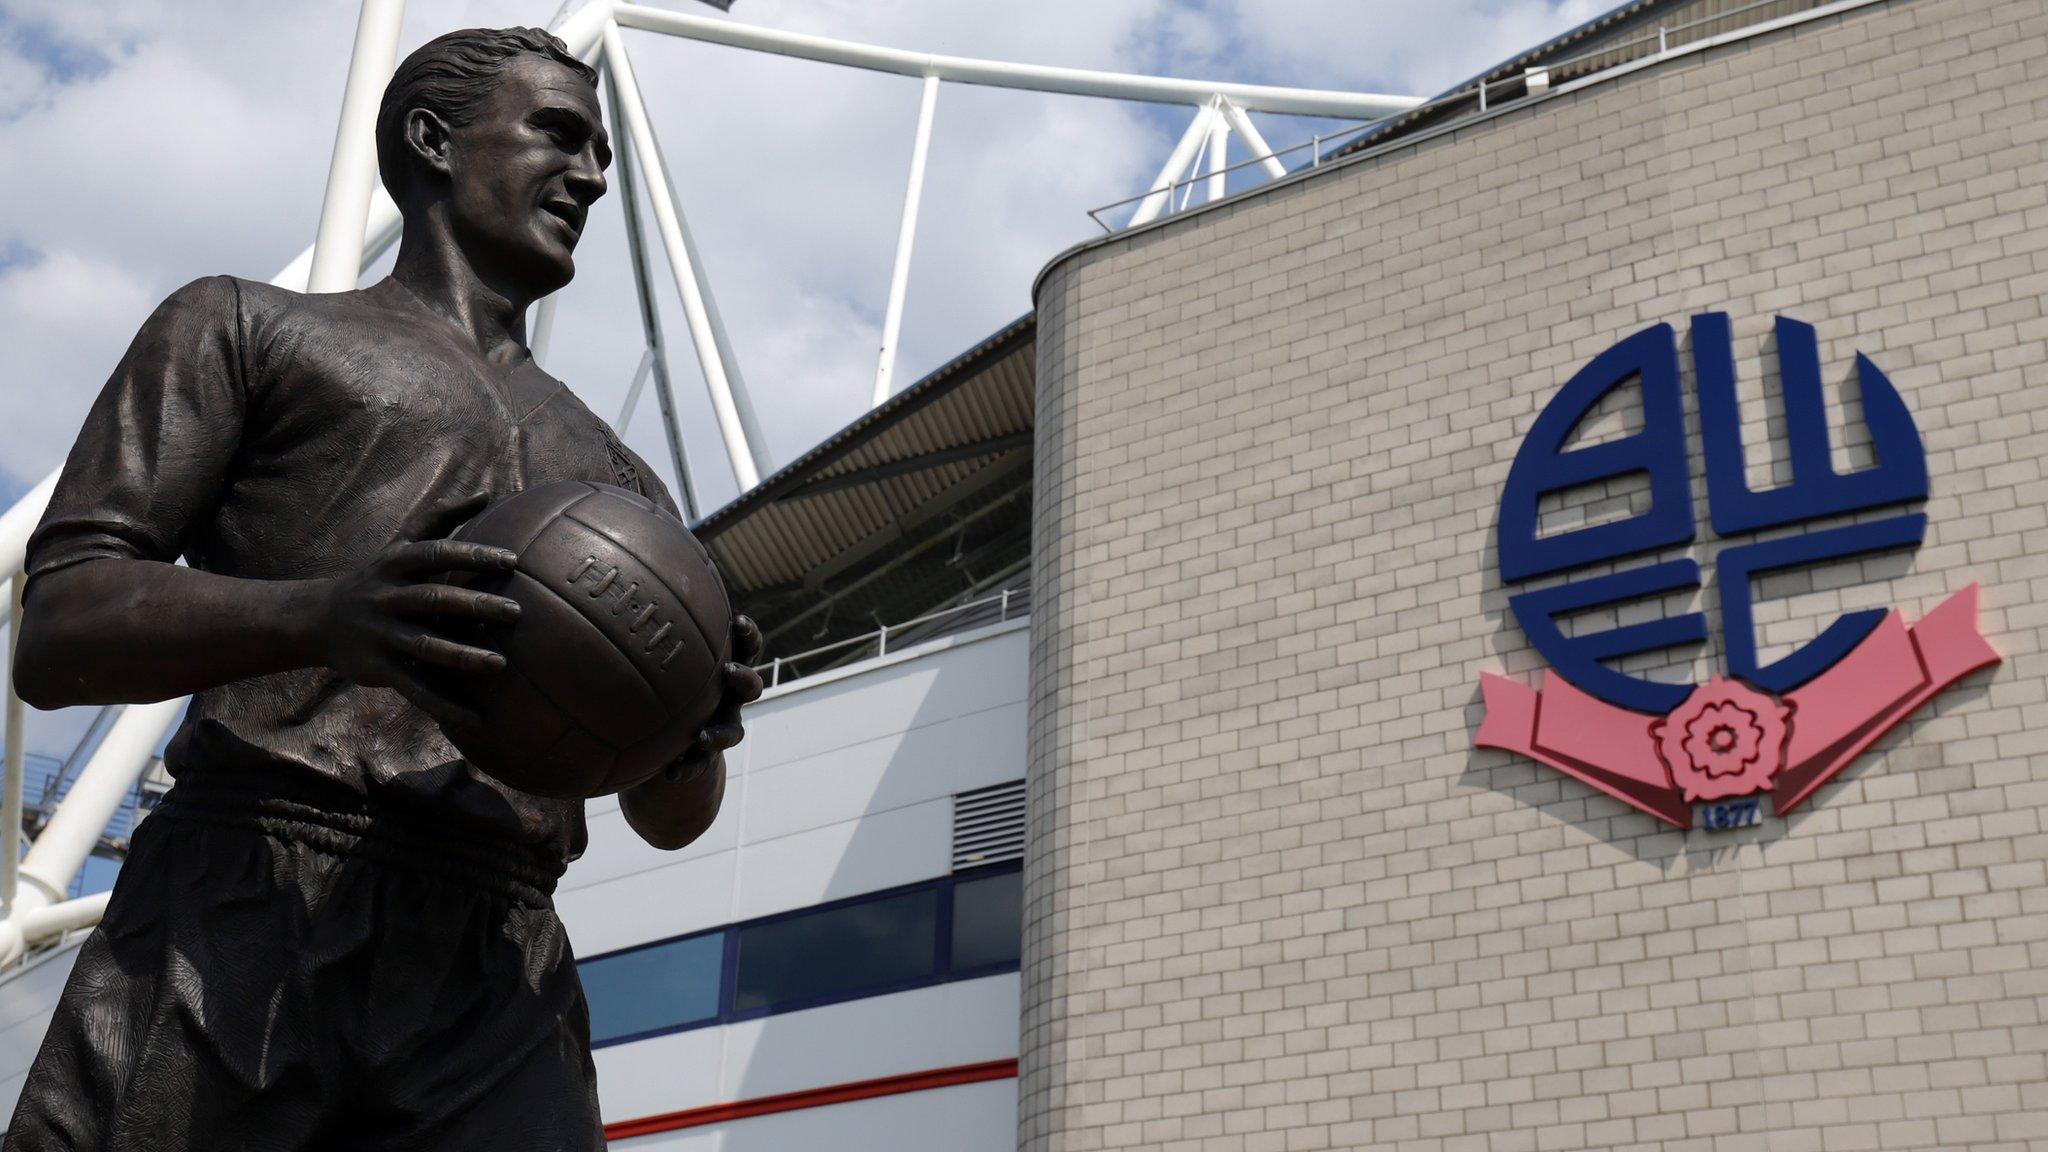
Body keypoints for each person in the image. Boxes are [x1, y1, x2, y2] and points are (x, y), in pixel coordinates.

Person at [3, 27, 760, 1151]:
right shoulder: (248, 327)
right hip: (244, 897)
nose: (593, 176)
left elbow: (669, 819)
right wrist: (320, 615)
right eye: (557, 133)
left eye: (602, 152)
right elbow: (59, 626)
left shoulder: (624, 485)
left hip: (496, 953)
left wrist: (688, 729)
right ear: (430, 141)